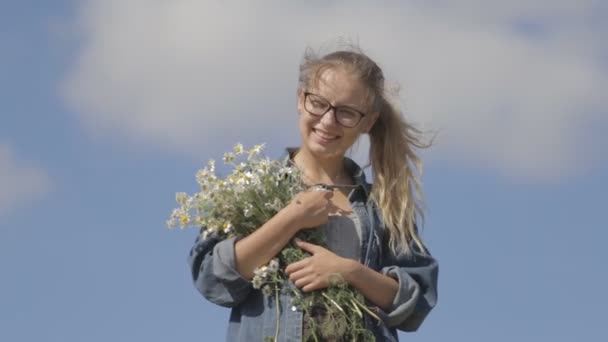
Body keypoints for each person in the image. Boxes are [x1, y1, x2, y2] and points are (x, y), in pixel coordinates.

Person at [188, 47, 438, 341]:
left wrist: (349, 271)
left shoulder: (383, 207)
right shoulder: (252, 189)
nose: (328, 121)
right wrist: (292, 216)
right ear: (300, 99)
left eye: (346, 113)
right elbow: (213, 278)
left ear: (367, 122)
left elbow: (416, 302)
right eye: (318, 103)